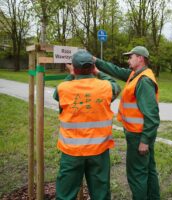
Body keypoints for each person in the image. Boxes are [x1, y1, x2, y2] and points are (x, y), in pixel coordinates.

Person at [93, 46, 160, 200]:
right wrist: (96, 64)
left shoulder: (143, 81)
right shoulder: (135, 75)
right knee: (148, 169)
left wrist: (145, 140)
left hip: (139, 135)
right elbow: (115, 70)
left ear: (140, 59)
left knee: (136, 174)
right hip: (139, 133)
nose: (128, 60)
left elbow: (152, 115)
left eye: (131, 57)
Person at [53, 50, 121, 200]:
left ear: (74, 68)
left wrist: (71, 75)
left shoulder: (63, 88)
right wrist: (98, 72)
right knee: (101, 194)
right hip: (99, 151)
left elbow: (56, 95)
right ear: (92, 67)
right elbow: (116, 87)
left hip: (72, 153)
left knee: (65, 194)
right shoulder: (106, 87)